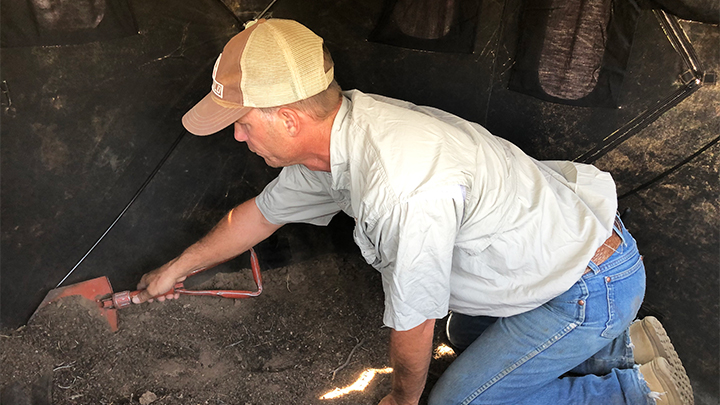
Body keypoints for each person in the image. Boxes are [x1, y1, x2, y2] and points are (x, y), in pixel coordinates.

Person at [131, 18, 693, 405]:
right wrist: (177, 268)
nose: (236, 135)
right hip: (558, 259)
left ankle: (636, 391)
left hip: (586, 285)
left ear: (287, 117)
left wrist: (402, 397)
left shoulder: (399, 182)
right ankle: (621, 350)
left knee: (459, 399)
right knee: (466, 338)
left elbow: (414, 315)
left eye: (243, 121)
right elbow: (259, 215)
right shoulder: (341, 139)